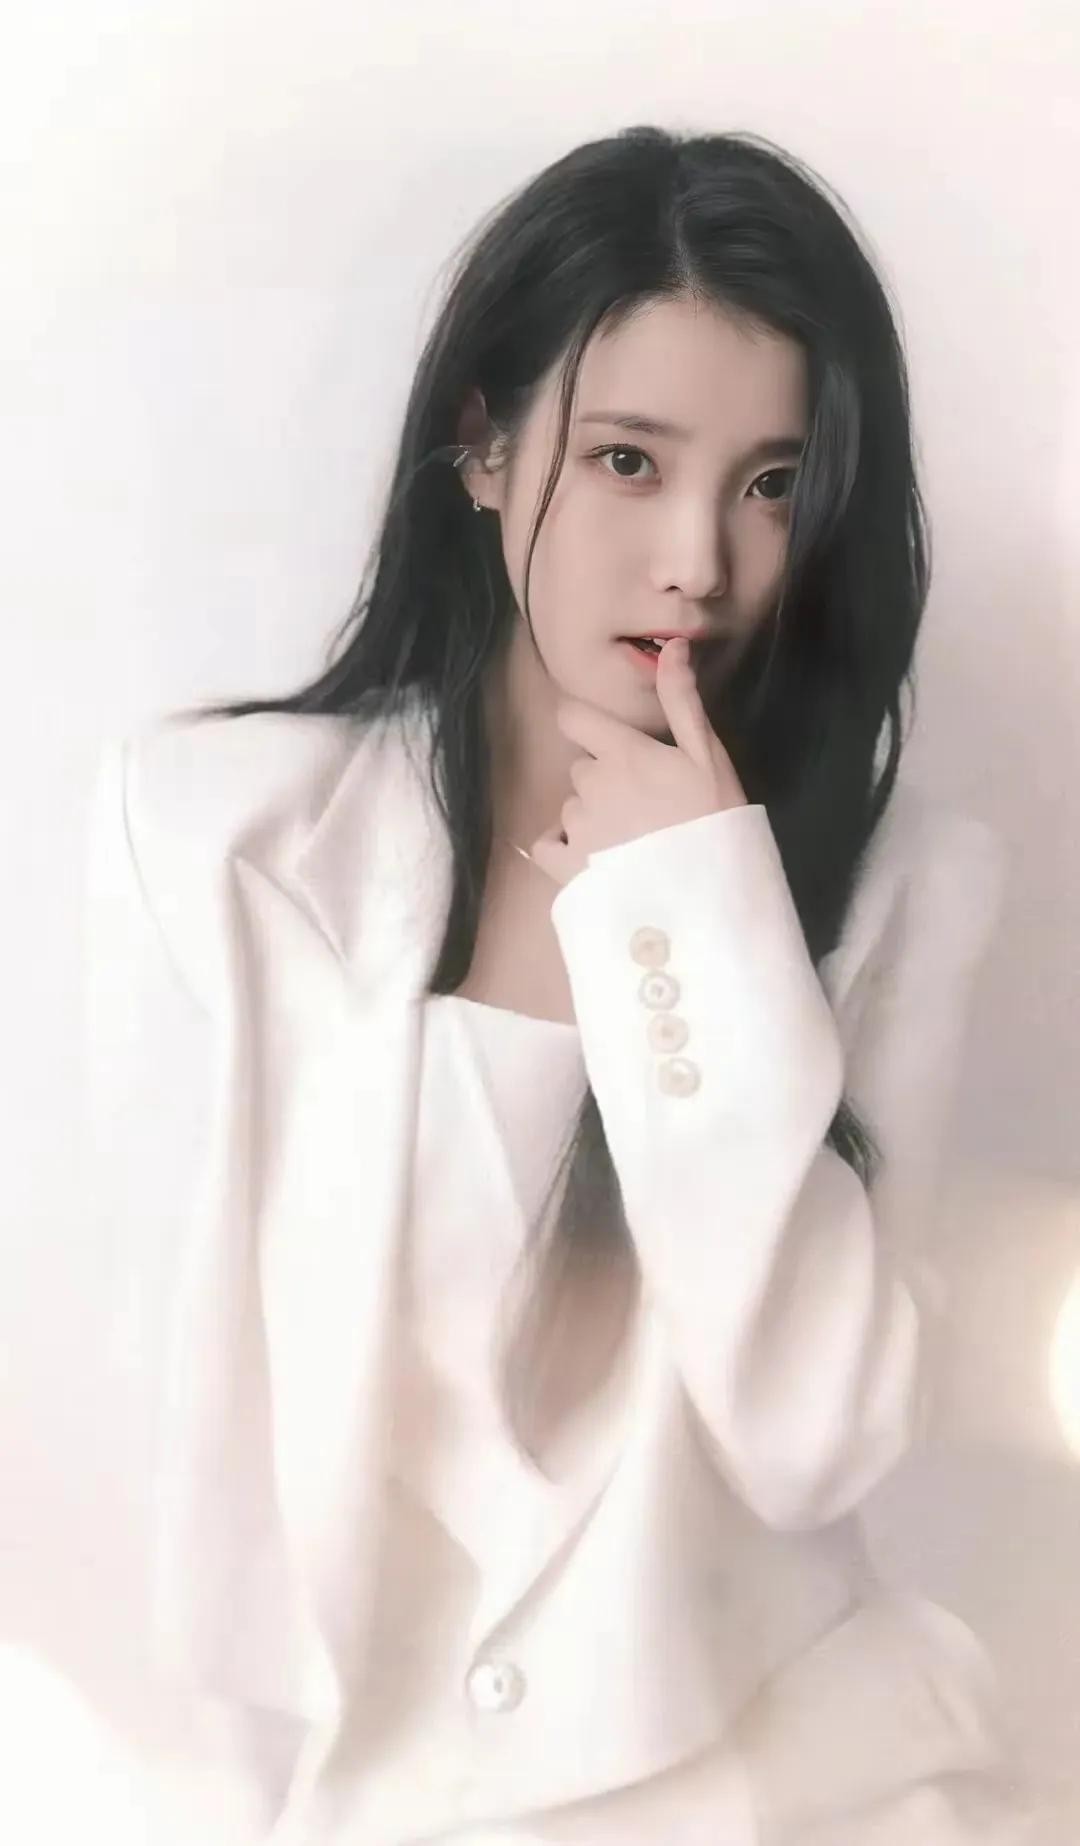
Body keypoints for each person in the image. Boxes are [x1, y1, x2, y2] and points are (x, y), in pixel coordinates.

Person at [72, 125, 1047, 1842]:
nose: (701, 560)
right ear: (483, 447)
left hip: (786, 1788)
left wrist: (703, 914)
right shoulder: (214, 847)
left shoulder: (905, 885)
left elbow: (817, 1437)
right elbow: (138, 1425)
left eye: (770, 482)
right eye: (625, 460)